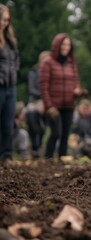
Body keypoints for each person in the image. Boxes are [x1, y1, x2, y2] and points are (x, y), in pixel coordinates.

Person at [39, 33, 86, 160]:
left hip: (69, 105)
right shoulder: (47, 63)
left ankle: (62, 159)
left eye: (68, 45)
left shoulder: (71, 63)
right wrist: (49, 106)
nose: (66, 47)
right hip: (54, 106)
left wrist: (77, 90)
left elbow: (76, 81)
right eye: (64, 44)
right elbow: (43, 86)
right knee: (56, 133)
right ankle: (48, 159)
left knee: (65, 134)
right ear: (57, 45)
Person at [0, 4, 19, 165]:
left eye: (7, 20)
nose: (5, 22)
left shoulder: (10, 40)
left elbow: (15, 61)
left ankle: (7, 155)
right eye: (2, 19)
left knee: (8, 123)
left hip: (10, 87)